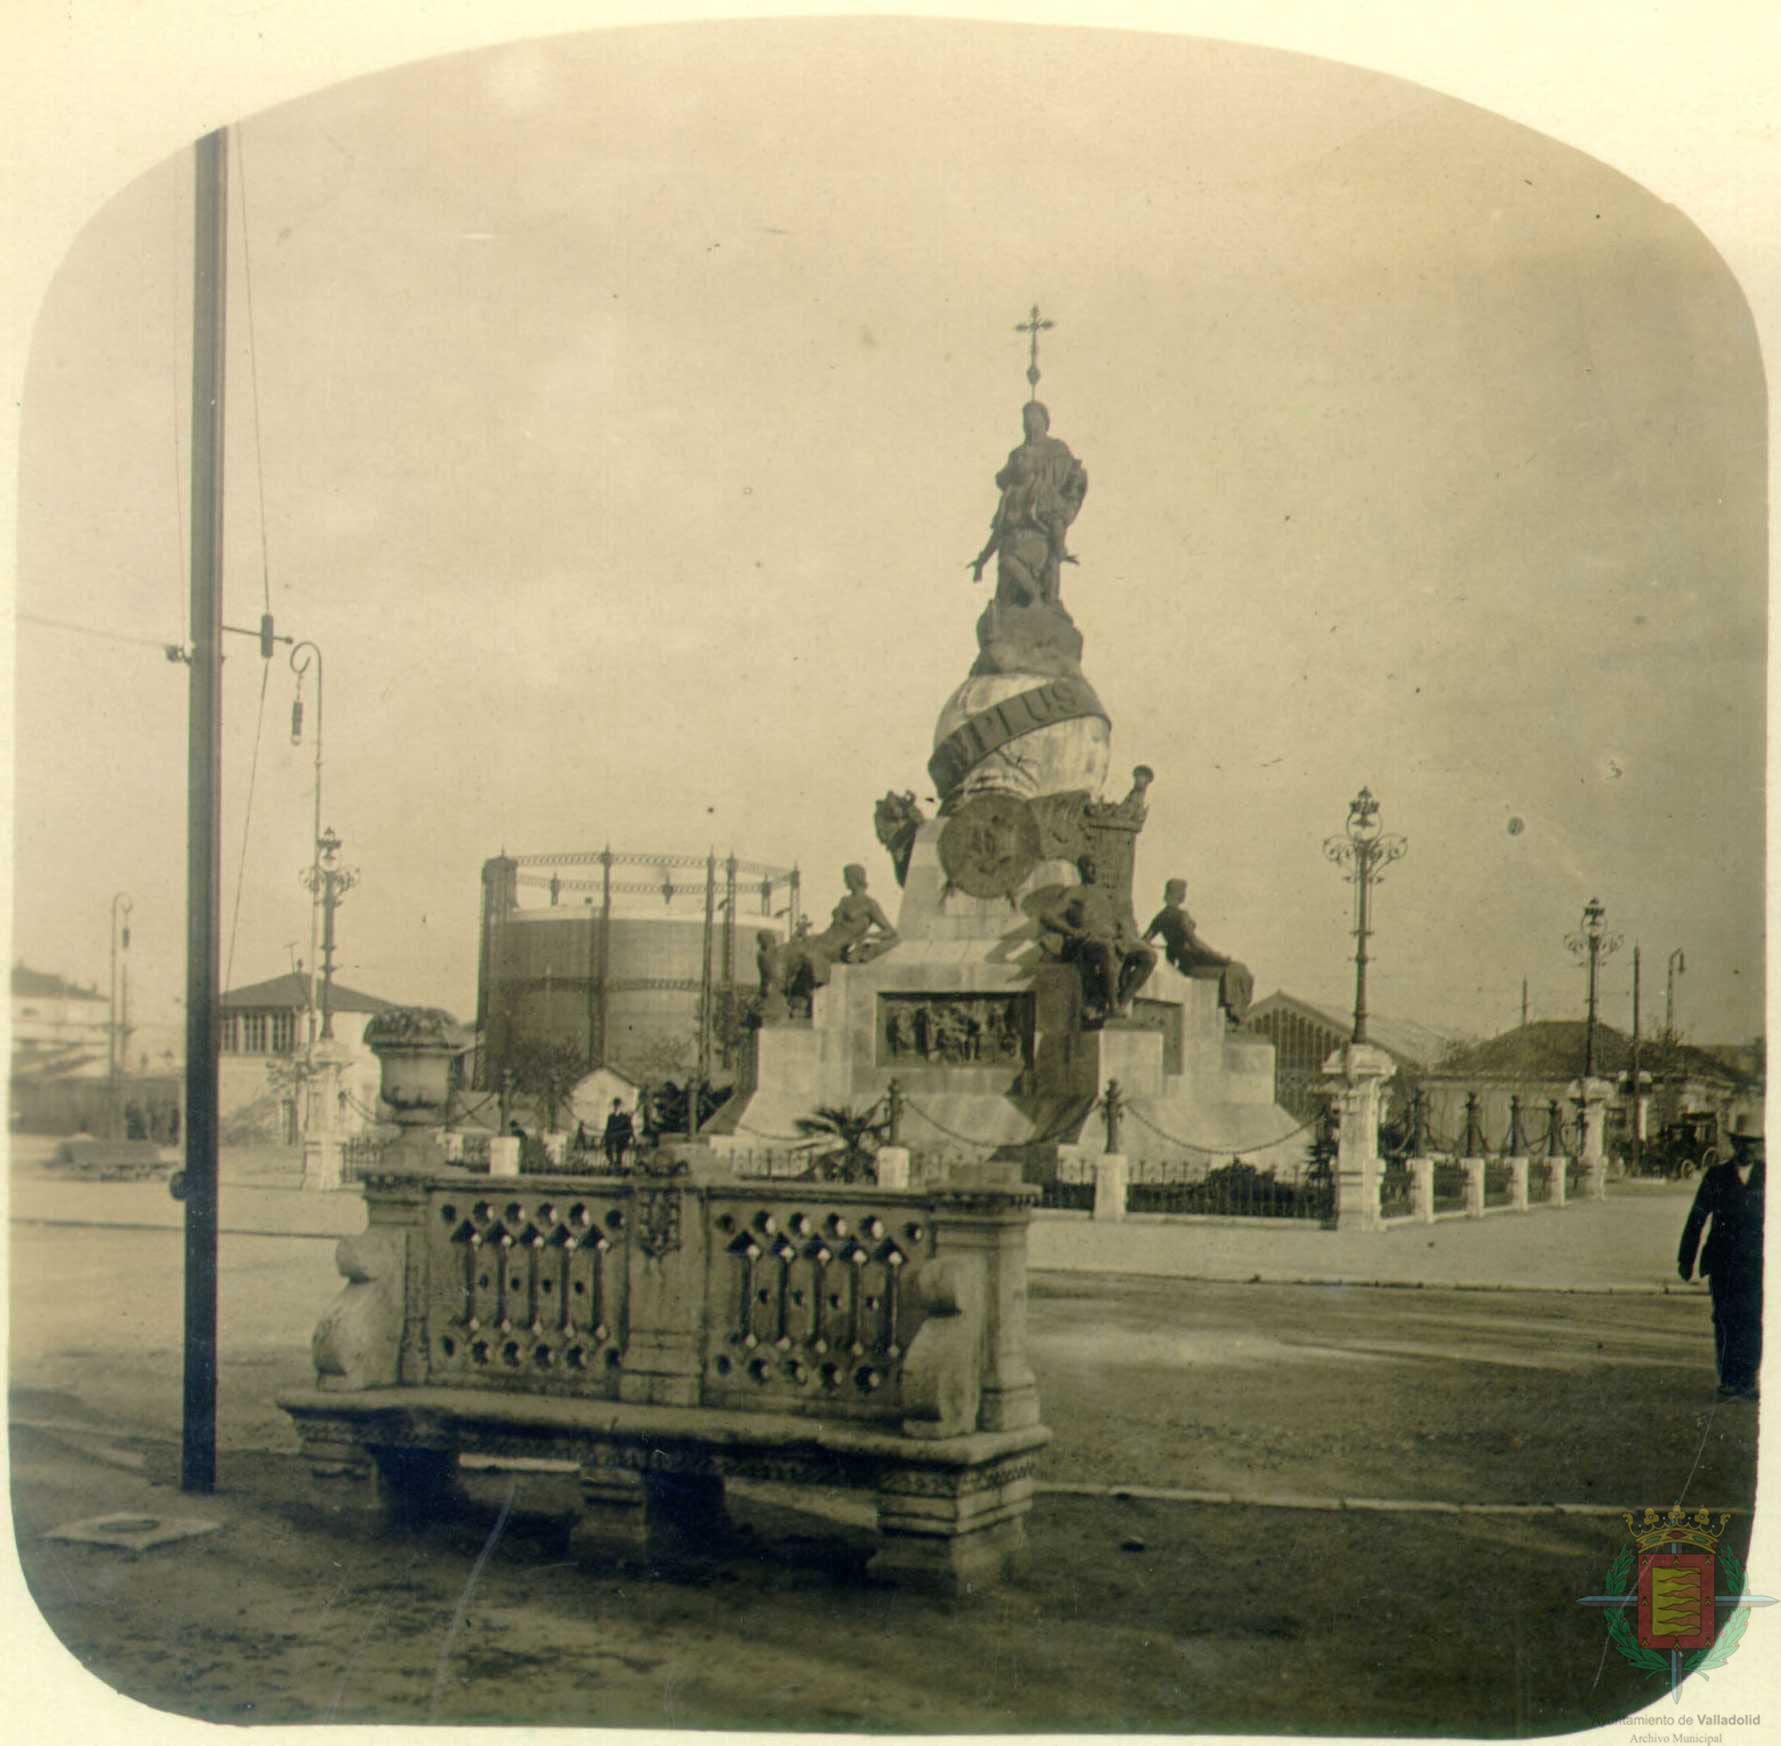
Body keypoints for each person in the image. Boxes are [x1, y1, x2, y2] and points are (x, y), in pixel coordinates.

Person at [967, 400, 1089, 609]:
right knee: (1005, 603)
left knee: (1039, 590)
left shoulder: (1057, 451)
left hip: (1039, 536)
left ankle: (1039, 600)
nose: (1029, 423)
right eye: (1026, 419)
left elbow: (1072, 484)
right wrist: (982, 560)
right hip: (1011, 541)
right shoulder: (1013, 476)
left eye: (1034, 418)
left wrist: (1060, 541)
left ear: (1045, 421)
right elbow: (998, 530)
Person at [1677, 1110, 1764, 1400]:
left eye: (1752, 1143)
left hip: (1757, 1264)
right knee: (1726, 1319)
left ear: (1759, 1145)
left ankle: (1748, 1379)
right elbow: (1697, 1217)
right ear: (1734, 1144)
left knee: (1752, 1320)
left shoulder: (1770, 1176)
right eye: (1741, 1142)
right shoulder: (1716, 1176)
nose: (1747, 1148)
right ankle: (1728, 1379)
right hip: (1723, 1262)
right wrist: (1685, 1259)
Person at [759, 865, 899, 1016]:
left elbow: (890, 931)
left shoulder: (870, 904)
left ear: (856, 878)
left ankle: (794, 1002)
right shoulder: (844, 900)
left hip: (839, 946)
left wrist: (867, 937)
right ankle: (775, 997)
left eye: (847, 877)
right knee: (786, 949)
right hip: (824, 938)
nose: (845, 880)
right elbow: (832, 927)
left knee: (807, 954)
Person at [1038, 855, 1155, 1022]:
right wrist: (1071, 931)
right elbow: (1047, 915)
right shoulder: (1074, 892)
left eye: (1096, 866)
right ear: (1081, 869)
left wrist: (1123, 933)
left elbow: (1118, 923)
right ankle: (1113, 1005)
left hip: (1111, 940)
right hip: (1085, 943)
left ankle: (1121, 1003)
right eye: (1089, 866)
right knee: (1105, 948)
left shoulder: (1105, 896)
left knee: (1149, 957)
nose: (1094, 870)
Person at [1142, 878, 1255, 1026]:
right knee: (1237, 969)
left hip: (1184, 965)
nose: (1184, 895)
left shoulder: (1161, 916)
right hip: (1193, 966)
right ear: (1179, 894)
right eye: (1183, 892)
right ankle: (1234, 1015)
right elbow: (1195, 944)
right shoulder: (1181, 916)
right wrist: (1220, 958)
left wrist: (1166, 948)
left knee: (1236, 970)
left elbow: (1144, 940)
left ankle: (1234, 1014)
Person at [602, 1098, 635, 1171]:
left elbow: (630, 1129)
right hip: (612, 1138)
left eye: (618, 1105)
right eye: (615, 1105)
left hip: (621, 1138)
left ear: (620, 1106)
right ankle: (611, 1162)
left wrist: (632, 1138)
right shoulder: (610, 1117)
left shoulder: (625, 1117)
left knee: (620, 1147)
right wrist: (604, 1137)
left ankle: (619, 1163)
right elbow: (608, 1129)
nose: (616, 1107)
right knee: (608, 1147)